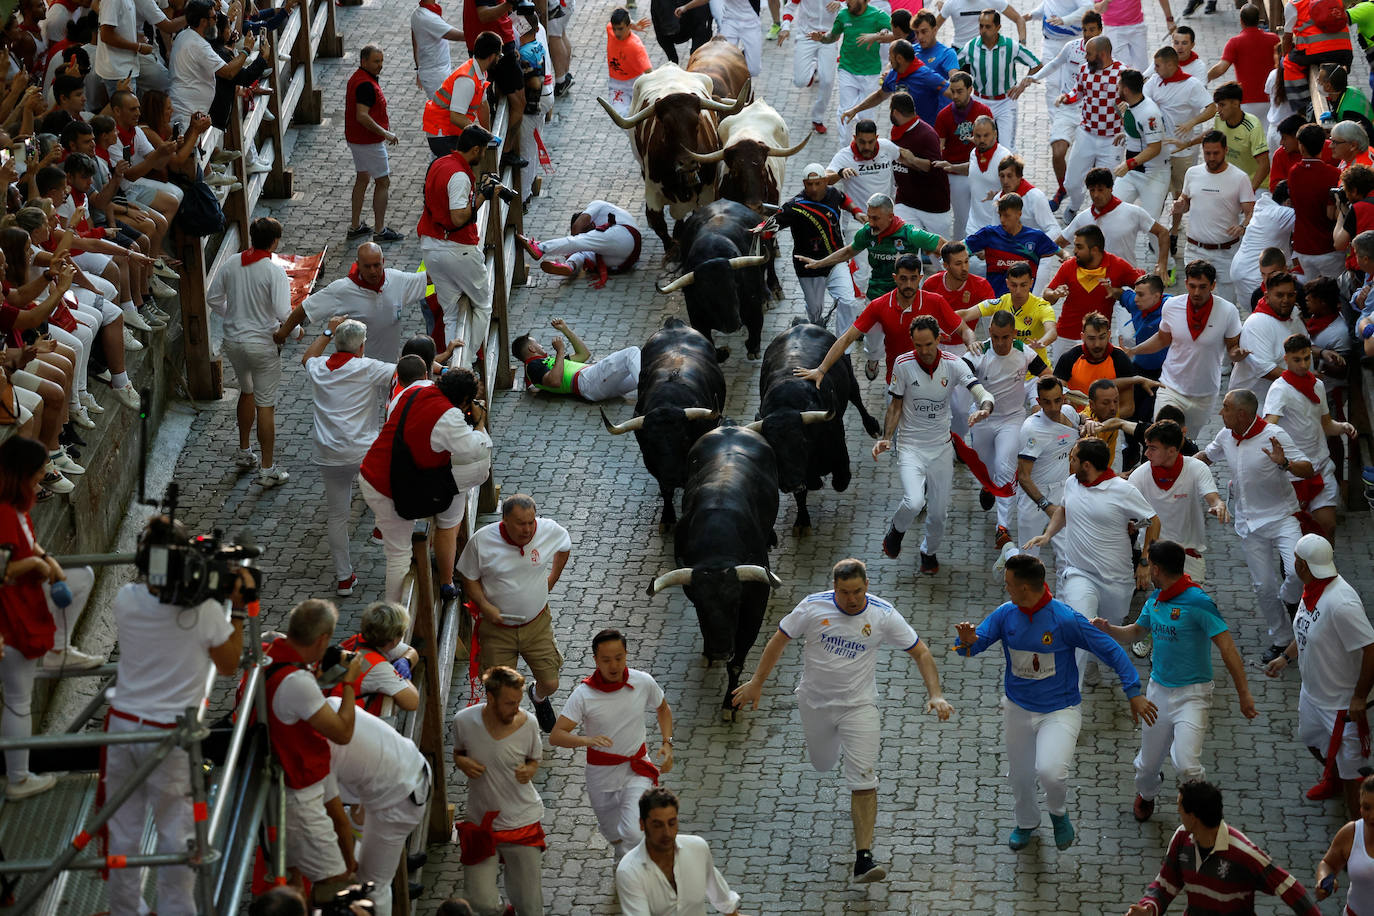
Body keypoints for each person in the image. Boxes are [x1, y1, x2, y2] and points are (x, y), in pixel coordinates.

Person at [732, 557, 954, 882]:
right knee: (823, 763)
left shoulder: (882, 614)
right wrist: (757, 682)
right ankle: (834, 748)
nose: (852, 599)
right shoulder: (811, 608)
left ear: (867, 586)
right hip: (815, 704)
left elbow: (920, 651)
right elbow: (779, 639)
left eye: (858, 591)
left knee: (863, 778)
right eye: (846, 592)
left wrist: (935, 693)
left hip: (859, 706)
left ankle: (863, 858)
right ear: (834, 587)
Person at [954, 553, 1155, 851]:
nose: (1005, 587)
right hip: (1017, 709)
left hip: (1060, 711)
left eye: (1009, 583)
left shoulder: (1064, 619)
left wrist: (1133, 691)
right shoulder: (1005, 613)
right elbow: (973, 647)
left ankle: (1058, 814)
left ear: (1024, 587)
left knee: (1050, 771)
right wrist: (966, 641)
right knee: (1020, 776)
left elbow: (1111, 650)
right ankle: (1026, 823)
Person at [101, 516, 248, 915]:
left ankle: (125, 909)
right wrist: (235, 609)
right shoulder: (202, 612)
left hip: (122, 727)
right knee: (176, 829)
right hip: (171, 736)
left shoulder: (127, 598)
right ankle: (176, 909)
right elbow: (230, 661)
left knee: (123, 828)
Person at [1093, 540, 1257, 821]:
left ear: (1156, 569)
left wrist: (1244, 694)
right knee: (1147, 766)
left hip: (1193, 694)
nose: (1145, 572)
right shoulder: (1154, 601)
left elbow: (1227, 649)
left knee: (1186, 764)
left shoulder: (1199, 602)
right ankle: (1146, 796)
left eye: (1147, 567)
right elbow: (1136, 633)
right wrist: (1109, 630)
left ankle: (1206, 817)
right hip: (1157, 692)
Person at [0, 436, 99, 801]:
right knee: (18, 699)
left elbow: (26, 543)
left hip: (21, 600)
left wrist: (47, 559)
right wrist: (39, 564)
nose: (47, 472)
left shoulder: (15, 505)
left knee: (81, 576)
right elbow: (5, 568)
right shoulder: (4, 511)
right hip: (10, 617)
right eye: (42, 467)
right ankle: (18, 778)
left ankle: (58, 648)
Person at [1026, 436, 1159, 684]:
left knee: (1106, 631)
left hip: (1116, 580)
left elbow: (1153, 520)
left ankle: (1093, 661)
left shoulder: (1122, 489)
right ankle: (1069, 697)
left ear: (1086, 464)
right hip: (1079, 573)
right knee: (1079, 626)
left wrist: (1144, 562)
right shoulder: (1070, 484)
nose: (1069, 461)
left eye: (1073, 457)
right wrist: (1047, 535)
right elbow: (1063, 511)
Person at [873, 315, 996, 573]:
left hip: (941, 448)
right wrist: (886, 438)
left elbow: (980, 391)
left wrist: (985, 407)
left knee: (939, 515)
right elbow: (895, 405)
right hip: (910, 446)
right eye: (918, 345)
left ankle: (929, 552)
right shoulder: (902, 364)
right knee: (915, 501)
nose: (924, 351)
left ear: (940, 339)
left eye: (929, 344)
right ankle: (896, 531)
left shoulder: (953, 364)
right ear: (912, 343)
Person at [1262, 534, 1374, 816]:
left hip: (1341, 705)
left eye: (1296, 560)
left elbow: (1371, 650)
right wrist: (1285, 658)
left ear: (1302, 566)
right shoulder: (1312, 589)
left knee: (1354, 777)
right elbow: (1304, 628)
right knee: (1312, 740)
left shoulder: (1342, 603)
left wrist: (1359, 697)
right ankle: (1333, 778)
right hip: (1312, 694)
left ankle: (1359, 837)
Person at [359, 367, 492, 604]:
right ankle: (395, 621)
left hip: (375, 470)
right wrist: (480, 423)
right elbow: (476, 448)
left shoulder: (420, 388)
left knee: (400, 551)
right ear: (463, 400)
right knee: (399, 556)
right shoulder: (448, 416)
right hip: (388, 487)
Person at [1200, 388, 1313, 658]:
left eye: (1225, 407)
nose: (1220, 412)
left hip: (1283, 517)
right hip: (1249, 525)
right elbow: (1205, 457)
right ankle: (1282, 638)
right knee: (1263, 586)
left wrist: (1284, 462)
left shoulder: (1275, 435)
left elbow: (1308, 468)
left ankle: (1289, 598)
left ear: (1241, 414)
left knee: (1298, 570)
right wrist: (1178, 465)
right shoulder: (1225, 435)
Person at [550, 629, 673, 863]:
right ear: (595, 660)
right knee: (612, 831)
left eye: (619, 657)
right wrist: (585, 740)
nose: (614, 665)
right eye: (606, 660)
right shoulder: (583, 695)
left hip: (636, 768)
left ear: (626, 654)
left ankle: (638, 872)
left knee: (634, 831)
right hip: (600, 774)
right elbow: (557, 736)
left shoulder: (643, 682)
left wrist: (667, 743)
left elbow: (663, 708)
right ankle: (621, 855)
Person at [457, 494, 572, 733]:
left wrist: (551, 580)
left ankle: (538, 697)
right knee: (502, 691)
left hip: (537, 624)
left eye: (531, 522)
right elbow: (468, 576)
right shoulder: (482, 541)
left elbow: (565, 545)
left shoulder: (548, 530)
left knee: (550, 682)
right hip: (497, 630)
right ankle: (506, 731)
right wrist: (484, 605)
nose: (528, 529)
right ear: (505, 521)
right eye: (521, 523)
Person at [795, 196, 945, 379]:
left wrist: (964, 257)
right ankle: (873, 359)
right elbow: (850, 251)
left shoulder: (910, 234)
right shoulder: (868, 232)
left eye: (875, 218)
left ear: (890, 216)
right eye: (869, 216)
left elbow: (942, 245)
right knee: (873, 343)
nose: (870, 222)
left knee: (909, 338)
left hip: (907, 296)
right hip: (877, 295)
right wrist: (820, 263)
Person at [1125, 780, 1322, 914]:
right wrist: (1148, 909)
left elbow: (1288, 886)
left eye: (1180, 808)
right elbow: (1166, 884)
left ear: (1193, 817)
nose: (1178, 812)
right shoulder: (1182, 839)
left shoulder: (1243, 853)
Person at [302, 317, 395, 596]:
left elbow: (308, 356)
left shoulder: (318, 367)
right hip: (363, 450)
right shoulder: (368, 367)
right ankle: (381, 528)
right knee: (395, 473)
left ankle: (344, 578)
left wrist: (328, 330)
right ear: (362, 347)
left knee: (337, 515)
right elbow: (407, 371)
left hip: (329, 453)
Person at [795, 255, 974, 387]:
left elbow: (963, 329)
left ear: (920, 278)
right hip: (897, 381)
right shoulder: (879, 305)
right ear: (895, 278)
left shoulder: (936, 301)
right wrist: (821, 370)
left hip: (931, 379)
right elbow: (847, 338)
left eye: (913, 279)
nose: (909, 285)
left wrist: (972, 343)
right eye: (903, 279)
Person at [451, 665, 546, 916]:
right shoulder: (463, 721)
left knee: (530, 906)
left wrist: (530, 769)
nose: (516, 709)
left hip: (522, 821)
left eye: (518, 702)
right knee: (479, 901)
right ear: (490, 697)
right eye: (509, 703)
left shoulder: (529, 724)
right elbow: (458, 753)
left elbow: (535, 759)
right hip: (481, 823)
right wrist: (462, 762)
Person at [320, 697, 427, 916]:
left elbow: (337, 820)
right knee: (353, 824)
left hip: (400, 798)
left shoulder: (318, 753)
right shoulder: (331, 704)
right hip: (407, 774)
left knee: (373, 884)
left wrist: (349, 864)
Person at [208, 216, 292, 488]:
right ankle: (267, 469)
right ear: (275, 241)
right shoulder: (274, 271)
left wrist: (231, 314)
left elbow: (213, 298)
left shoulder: (232, 263)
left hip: (234, 342)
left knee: (247, 391)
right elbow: (283, 313)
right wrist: (297, 330)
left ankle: (245, 452)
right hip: (262, 345)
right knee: (265, 403)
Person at [1124, 260, 1243, 434]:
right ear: (1186, 283)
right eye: (1192, 286)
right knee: (1161, 435)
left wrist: (1237, 355)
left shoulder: (1228, 311)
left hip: (1204, 394)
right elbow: (1162, 339)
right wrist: (1133, 351)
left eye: (1202, 287)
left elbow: (1232, 347)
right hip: (1170, 387)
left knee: (1186, 442)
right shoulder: (1171, 306)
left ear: (1213, 286)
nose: (1196, 292)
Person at [967, 309, 1051, 547]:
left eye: (1006, 337)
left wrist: (1041, 402)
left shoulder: (1025, 352)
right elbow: (959, 376)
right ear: (990, 333)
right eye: (996, 337)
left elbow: (1046, 375)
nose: (1001, 343)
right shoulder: (977, 353)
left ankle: (1002, 527)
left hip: (1012, 420)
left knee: (1005, 468)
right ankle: (988, 485)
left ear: (1014, 334)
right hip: (982, 421)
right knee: (986, 466)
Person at [1264, 333, 1358, 538]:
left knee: (1328, 527)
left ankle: (1325, 569)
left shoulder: (1318, 385)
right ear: (1286, 359)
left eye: (1307, 358)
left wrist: (1342, 427)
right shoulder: (1279, 389)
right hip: (1292, 472)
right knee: (1296, 535)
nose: (1303, 364)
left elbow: (1325, 424)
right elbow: (1268, 427)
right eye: (1297, 359)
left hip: (1320, 466)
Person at [276, 242, 429, 364]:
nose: (373, 271)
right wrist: (282, 334)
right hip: (358, 373)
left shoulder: (397, 280)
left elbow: (428, 278)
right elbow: (305, 308)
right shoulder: (342, 290)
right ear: (358, 264)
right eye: (367, 266)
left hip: (388, 369)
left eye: (377, 265)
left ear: (383, 262)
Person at [416, 124, 493, 355]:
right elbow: (458, 217)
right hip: (456, 249)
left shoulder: (439, 163)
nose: (483, 156)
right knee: (482, 305)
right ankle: (467, 361)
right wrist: (482, 197)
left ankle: (454, 365)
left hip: (431, 248)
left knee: (450, 313)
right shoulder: (460, 175)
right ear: (476, 149)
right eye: (484, 151)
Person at [1018, 11, 1103, 211]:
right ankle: (1062, 188)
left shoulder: (1105, 57)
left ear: (1100, 30)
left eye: (1092, 30)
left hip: (1090, 113)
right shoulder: (1071, 48)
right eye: (1084, 30)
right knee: (1058, 153)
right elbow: (1055, 64)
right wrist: (1034, 77)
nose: (1088, 34)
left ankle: (1086, 199)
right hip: (1067, 107)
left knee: (1088, 163)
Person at [1127, 419, 1228, 584]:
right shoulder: (1139, 476)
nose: (1146, 454)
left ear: (1172, 451)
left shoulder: (1197, 468)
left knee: (1191, 608)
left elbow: (1212, 498)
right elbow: (1126, 511)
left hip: (1188, 556)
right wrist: (1130, 524)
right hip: (1156, 559)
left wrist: (1218, 505)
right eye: (1147, 447)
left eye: (1153, 448)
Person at [615, 787, 744, 916]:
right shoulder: (629, 871)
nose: (667, 833)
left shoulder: (697, 848)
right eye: (657, 825)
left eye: (671, 823)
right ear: (642, 824)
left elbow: (720, 894)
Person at [772, 164, 860, 326]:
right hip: (808, 266)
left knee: (848, 302)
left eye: (818, 183)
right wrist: (759, 230)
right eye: (809, 184)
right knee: (815, 311)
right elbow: (772, 224)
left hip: (836, 260)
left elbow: (843, 199)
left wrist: (857, 212)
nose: (814, 188)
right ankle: (815, 326)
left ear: (826, 181)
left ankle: (844, 349)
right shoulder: (794, 206)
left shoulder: (833, 193)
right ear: (804, 183)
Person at [1044, 225, 1143, 355]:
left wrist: (1119, 293)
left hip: (1097, 339)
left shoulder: (1118, 265)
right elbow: (1047, 295)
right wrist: (1054, 294)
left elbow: (1143, 286)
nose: (1074, 251)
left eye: (1079, 247)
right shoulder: (1069, 266)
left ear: (1095, 250)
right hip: (1065, 336)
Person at [1057, 169, 1169, 277]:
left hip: (1125, 279)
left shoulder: (1133, 212)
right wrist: (1065, 255)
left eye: (1100, 190)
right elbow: (1057, 243)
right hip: (1092, 281)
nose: (1096, 195)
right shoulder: (1082, 218)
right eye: (1092, 190)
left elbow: (1162, 232)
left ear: (1110, 188)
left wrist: (1162, 264)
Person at [808, 0, 890, 143]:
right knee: (845, 110)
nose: (847, 2)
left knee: (866, 116)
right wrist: (822, 38)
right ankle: (845, 148)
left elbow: (896, 33)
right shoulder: (843, 15)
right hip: (847, 70)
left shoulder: (878, 15)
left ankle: (867, 148)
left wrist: (880, 35)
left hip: (871, 73)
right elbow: (832, 36)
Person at [957, 9, 1041, 150]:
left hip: (1005, 103)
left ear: (998, 27)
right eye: (981, 26)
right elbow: (953, 65)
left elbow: (1036, 64)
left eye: (988, 26)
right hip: (980, 101)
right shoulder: (971, 46)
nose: (983, 30)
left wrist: (1023, 84)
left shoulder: (1010, 46)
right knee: (978, 145)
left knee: (1007, 148)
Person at [1059, 36, 1124, 216]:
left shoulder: (1122, 74)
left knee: (1108, 184)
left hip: (1112, 140)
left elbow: (1133, 103)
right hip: (1086, 134)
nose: (1085, 57)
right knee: (1071, 182)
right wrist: (1066, 98)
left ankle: (1101, 217)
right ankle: (1074, 204)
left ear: (1102, 54)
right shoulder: (1084, 70)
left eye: (1089, 54)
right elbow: (1077, 92)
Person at [344, 46, 402, 243]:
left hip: (356, 139)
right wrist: (385, 133)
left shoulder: (358, 78)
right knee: (383, 181)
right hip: (368, 142)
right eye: (376, 61)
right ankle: (380, 230)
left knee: (362, 178)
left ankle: (355, 226)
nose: (380, 66)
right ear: (364, 61)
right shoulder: (366, 85)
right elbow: (362, 116)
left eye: (381, 61)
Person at [512, 318, 641, 401]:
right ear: (531, 349)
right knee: (632, 353)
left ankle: (656, 395)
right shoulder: (533, 366)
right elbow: (555, 381)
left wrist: (565, 330)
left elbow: (584, 355)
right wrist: (560, 351)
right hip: (588, 380)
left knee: (643, 370)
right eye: (537, 344)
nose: (541, 345)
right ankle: (653, 394)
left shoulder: (551, 362)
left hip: (598, 385)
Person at [517, 198, 642, 282]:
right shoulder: (595, 237)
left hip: (625, 235)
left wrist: (576, 241)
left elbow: (577, 231)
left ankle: (541, 248)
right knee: (582, 252)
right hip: (623, 260)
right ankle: (569, 266)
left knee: (580, 243)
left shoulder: (597, 205)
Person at [956, 261, 1057, 364]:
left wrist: (1041, 342)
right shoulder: (999, 303)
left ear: (1031, 283)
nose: (1018, 291)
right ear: (1007, 283)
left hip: (1033, 373)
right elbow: (965, 314)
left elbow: (1052, 332)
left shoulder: (1042, 306)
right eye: (1014, 285)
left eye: (1023, 285)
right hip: (1005, 371)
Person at [933, 72, 994, 239]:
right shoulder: (944, 115)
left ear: (970, 90)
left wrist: (980, 144)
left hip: (980, 171)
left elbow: (994, 143)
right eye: (952, 91)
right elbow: (938, 148)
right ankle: (959, 250)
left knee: (985, 214)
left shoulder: (983, 111)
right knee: (962, 218)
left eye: (959, 91)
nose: (955, 96)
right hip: (955, 174)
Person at [1229, 269, 1304, 405]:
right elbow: (1266, 370)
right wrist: (1304, 380)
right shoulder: (1257, 323)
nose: (1286, 300)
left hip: (1286, 399)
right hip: (1255, 406)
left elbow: (1304, 344)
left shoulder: (1293, 312)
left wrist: (1322, 353)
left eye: (1290, 295)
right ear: (1267, 296)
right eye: (1279, 295)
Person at [963, 193, 1062, 296]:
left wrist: (1066, 257)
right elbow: (961, 247)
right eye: (1000, 215)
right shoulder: (989, 234)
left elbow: (1059, 251)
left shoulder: (1036, 237)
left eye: (1006, 216)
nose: (1002, 220)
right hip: (995, 303)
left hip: (1024, 304)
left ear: (1019, 214)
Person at [331, 601, 420, 714]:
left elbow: (410, 651)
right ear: (393, 641)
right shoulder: (378, 667)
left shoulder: (357, 640)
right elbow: (412, 702)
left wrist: (406, 660)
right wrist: (400, 676)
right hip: (347, 721)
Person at [843, 40, 950, 132]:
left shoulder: (926, 75)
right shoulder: (894, 74)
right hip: (905, 130)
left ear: (899, 58)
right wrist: (855, 110)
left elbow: (952, 93)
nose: (889, 59)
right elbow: (880, 96)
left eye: (890, 55)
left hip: (931, 131)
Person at [886, 91, 952, 240]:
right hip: (905, 203)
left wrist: (913, 160)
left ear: (895, 112)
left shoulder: (927, 134)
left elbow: (934, 166)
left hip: (933, 207)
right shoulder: (898, 131)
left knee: (941, 256)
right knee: (905, 250)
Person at [423, 33, 498, 158]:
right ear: (491, 57)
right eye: (498, 55)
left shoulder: (480, 72)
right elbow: (456, 117)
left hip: (450, 131)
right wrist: (482, 134)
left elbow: (483, 106)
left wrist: (488, 135)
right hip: (443, 134)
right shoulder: (467, 80)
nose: (499, 59)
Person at [1210, 5, 1280, 123]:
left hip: (1246, 100)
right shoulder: (1274, 39)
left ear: (1241, 20)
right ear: (1258, 20)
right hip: (1271, 98)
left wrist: (1205, 77)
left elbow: (1221, 68)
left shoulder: (1234, 42)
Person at [779, 0, 839, 133]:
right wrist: (786, 27)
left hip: (829, 36)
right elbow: (790, 7)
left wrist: (841, 5)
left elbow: (851, 6)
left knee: (828, 81)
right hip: (806, 35)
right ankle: (813, 68)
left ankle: (818, 118)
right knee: (800, 81)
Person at [1315, 775, 1374, 910]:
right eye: (1366, 808)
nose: (1372, 816)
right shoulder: (1351, 833)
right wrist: (1323, 880)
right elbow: (1328, 863)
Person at [411, 0, 467, 101]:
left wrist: (418, 70)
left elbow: (415, 43)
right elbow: (452, 34)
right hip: (436, 75)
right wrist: (475, 35)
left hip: (432, 72)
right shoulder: (428, 18)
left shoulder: (416, 14)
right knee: (443, 110)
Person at [605, 9, 652, 112]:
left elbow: (649, 71)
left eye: (620, 29)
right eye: (615, 29)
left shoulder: (635, 46)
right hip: (616, 86)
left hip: (636, 85)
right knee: (621, 115)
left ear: (628, 26)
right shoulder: (610, 29)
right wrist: (634, 24)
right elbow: (620, 10)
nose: (617, 33)